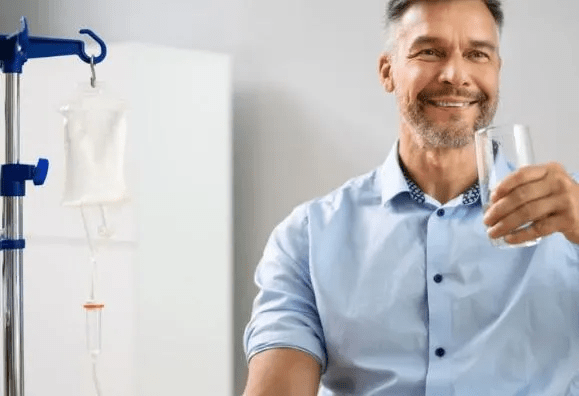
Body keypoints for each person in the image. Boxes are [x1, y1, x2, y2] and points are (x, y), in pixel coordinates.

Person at [243, 0, 579, 394]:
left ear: (497, 71)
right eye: (429, 52)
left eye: (477, 54)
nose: (456, 75)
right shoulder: (307, 238)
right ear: (388, 71)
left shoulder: (570, 213)